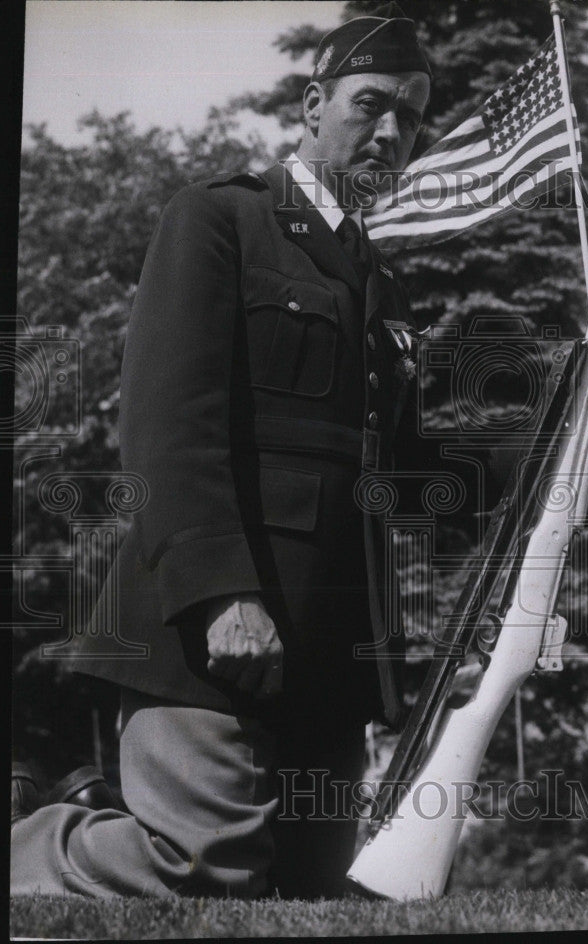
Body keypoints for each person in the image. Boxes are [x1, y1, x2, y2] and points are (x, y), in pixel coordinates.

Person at [11, 4, 432, 900]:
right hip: (212, 632)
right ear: (314, 106)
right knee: (202, 868)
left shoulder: (372, 275)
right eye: (371, 104)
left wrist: (552, 443)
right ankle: (27, 849)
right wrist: (222, 595)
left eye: (413, 114)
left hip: (326, 651)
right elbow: (168, 426)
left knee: (307, 890)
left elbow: (399, 468)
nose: (392, 133)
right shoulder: (220, 220)